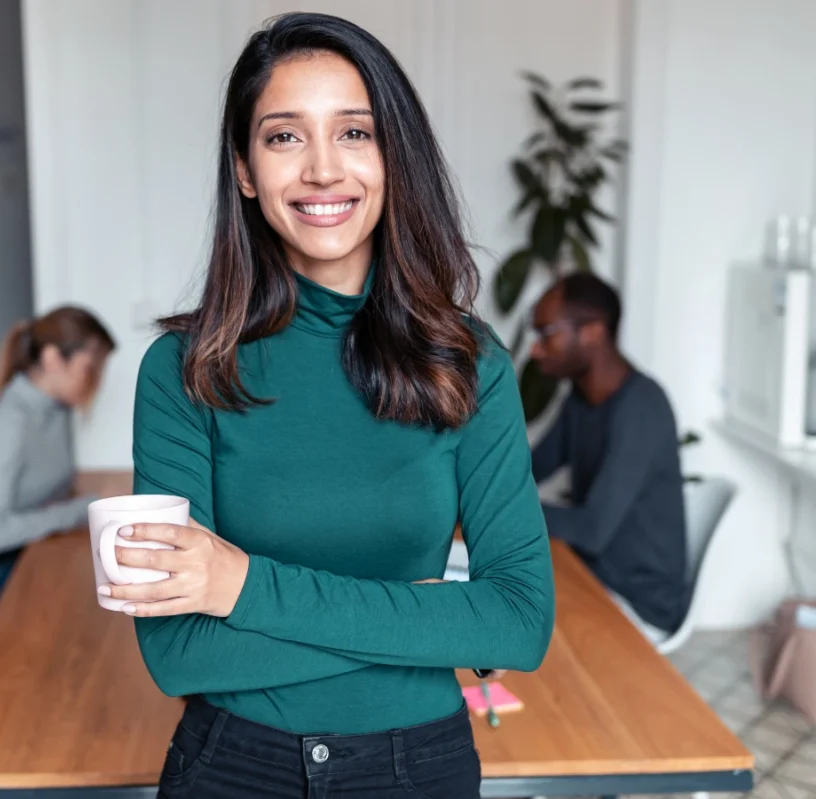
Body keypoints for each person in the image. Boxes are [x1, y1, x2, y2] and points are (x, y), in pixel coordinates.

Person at [99, 13, 554, 798]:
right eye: (283, 137)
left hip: (420, 768)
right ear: (245, 168)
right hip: (230, 768)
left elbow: (518, 621)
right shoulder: (182, 371)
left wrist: (238, 587)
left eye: (354, 132)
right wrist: (429, 618)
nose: (321, 168)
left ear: (392, 157)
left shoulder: (469, 364)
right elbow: (178, 653)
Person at [0, 306, 117, 640]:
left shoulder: (55, 410)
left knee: (96, 608)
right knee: (81, 632)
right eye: (89, 369)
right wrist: (83, 510)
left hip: (12, 566)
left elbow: (52, 489)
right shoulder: (10, 423)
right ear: (51, 358)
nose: (95, 383)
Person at [528, 273, 688, 643]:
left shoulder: (643, 409)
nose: (535, 349)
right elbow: (528, 470)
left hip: (638, 604)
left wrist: (496, 510)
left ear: (593, 332)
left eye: (546, 333)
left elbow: (592, 530)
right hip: (593, 574)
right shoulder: (581, 401)